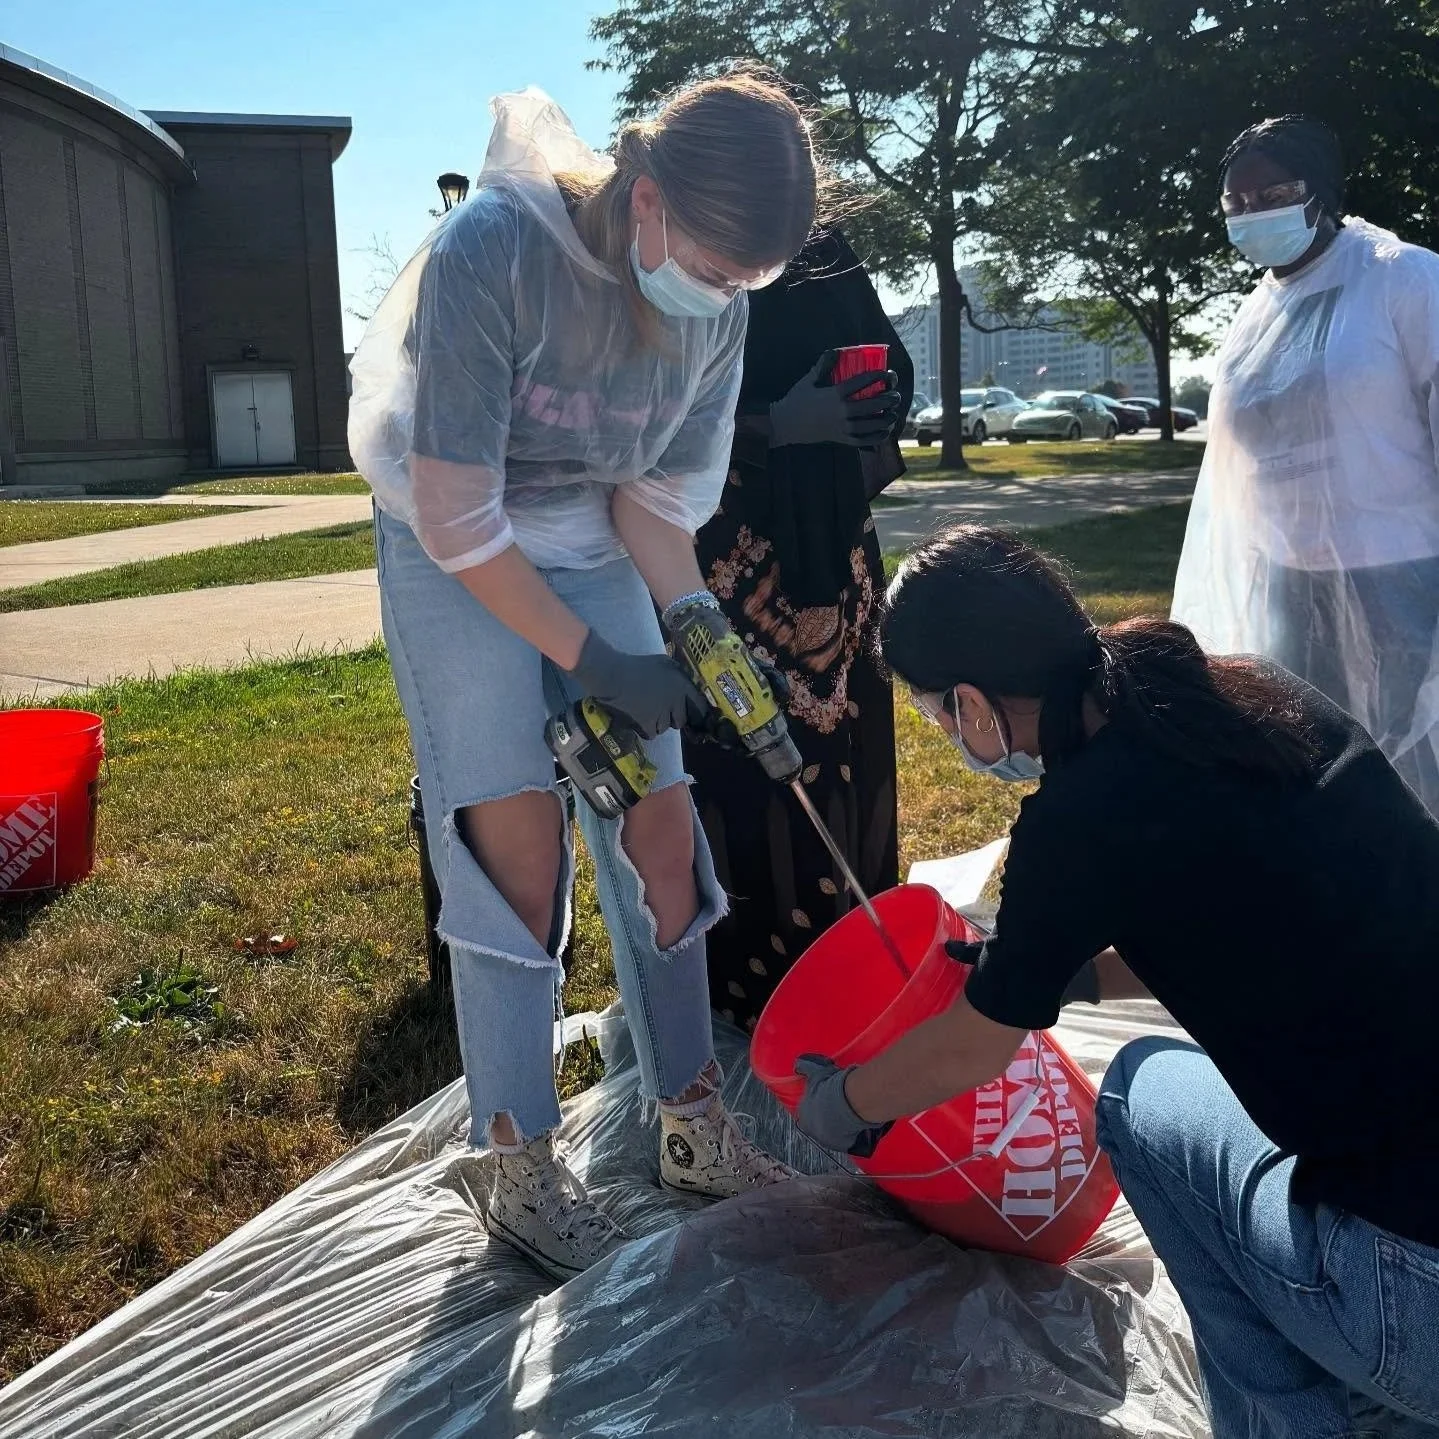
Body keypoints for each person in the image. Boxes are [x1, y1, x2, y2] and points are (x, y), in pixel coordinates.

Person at [794, 523, 1439, 1437]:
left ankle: (1296, 1418)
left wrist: (845, 1100)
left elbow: (981, 1042)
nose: (950, 733)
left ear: (972, 704)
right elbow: (1237, 921)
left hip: (1413, 1305)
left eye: (939, 715)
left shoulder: (1078, 820)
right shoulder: (1249, 700)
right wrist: (1073, 977)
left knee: (1134, 1091)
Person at [348, 74, 820, 1281]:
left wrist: (693, 625)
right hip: (454, 542)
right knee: (517, 841)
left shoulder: (716, 297)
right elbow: (458, 515)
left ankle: (690, 1123)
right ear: (644, 200)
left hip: (593, 540)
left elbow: (653, 503)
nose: (723, 298)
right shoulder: (496, 251)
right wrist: (595, 661)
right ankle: (513, 1153)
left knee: (661, 829)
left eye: (745, 283)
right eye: (715, 267)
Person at [1172, 115, 1439, 819]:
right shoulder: (1254, 315)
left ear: (1319, 190)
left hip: (1397, 579)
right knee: (1311, 764)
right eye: (1236, 203)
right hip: (1287, 582)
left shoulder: (1405, 281)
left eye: (1273, 193)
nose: (1253, 214)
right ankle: (1339, 909)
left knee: (1405, 764)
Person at [686, 229, 910, 1033]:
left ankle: (856, 963)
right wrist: (774, 424)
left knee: (846, 752)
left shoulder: (821, 247)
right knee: (743, 758)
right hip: (721, 548)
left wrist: (863, 408)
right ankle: (749, 988)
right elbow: (650, 421)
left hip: (833, 547)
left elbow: (887, 368)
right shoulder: (680, 254)